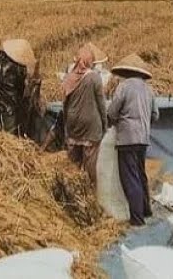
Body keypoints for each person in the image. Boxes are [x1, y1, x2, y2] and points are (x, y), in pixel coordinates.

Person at [107, 54, 159, 226]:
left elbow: (112, 112)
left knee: (130, 177)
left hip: (127, 138)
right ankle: (146, 208)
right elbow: (155, 115)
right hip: (143, 138)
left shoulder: (123, 87)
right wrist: (145, 124)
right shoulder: (149, 90)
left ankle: (137, 218)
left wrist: (116, 121)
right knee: (140, 173)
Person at [59, 45, 108, 183]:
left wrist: (67, 125)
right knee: (90, 162)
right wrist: (104, 125)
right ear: (90, 61)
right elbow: (101, 105)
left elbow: (65, 104)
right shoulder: (94, 78)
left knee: (72, 163)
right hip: (90, 126)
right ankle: (89, 189)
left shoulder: (69, 78)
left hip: (73, 124)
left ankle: (72, 187)